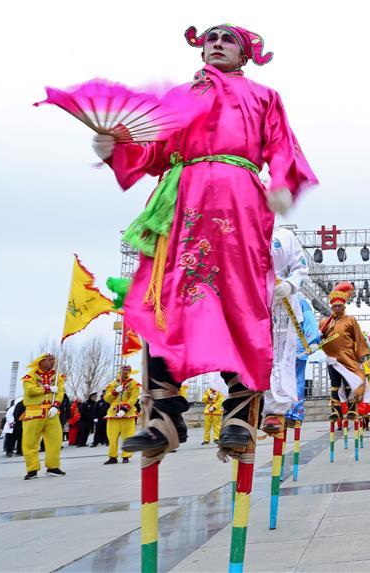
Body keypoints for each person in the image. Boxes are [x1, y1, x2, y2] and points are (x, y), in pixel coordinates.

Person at [89, 24, 318, 456]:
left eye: (226, 39)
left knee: (238, 301)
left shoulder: (263, 97)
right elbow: (153, 152)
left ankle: (239, 414)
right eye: (210, 38)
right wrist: (116, 148)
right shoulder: (179, 97)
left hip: (238, 203)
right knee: (166, 302)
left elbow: (284, 148)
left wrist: (283, 183)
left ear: (244, 54)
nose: (216, 44)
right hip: (180, 201)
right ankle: (163, 417)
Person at [264, 226, 312, 434]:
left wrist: (291, 284)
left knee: (280, 358)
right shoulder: (239, 229)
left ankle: (277, 409)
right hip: (249, 302)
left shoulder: (284, 236)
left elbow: (301, 266)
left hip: (282, 306)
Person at [319, 282, 370, 423]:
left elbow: (359, 338)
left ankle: (353, 410)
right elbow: (318, 339)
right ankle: (336, 412)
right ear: (332, 307)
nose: (337, 308)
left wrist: (363, 356)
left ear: (344, 306)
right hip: (332, 359)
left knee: (350, 383)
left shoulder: (351, 320)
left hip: (348, 357)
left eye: (339, 306)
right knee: (335, 385)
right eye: (335, 306)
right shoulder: (324, 322)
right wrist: (317, 337)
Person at [20, 354, 67, 479]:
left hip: (51, 413)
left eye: (54, 360)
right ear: (41, 361)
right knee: (30, 442)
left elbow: (60, 392)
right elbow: (30, 390)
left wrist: (55, 406)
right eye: (50, 360)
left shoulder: (58, 377)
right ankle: (32, 469)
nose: (53, 362)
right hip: (34, 413)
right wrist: (48, 389)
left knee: (55, 441)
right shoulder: (30, 376)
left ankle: (53, 466)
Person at [285, 297, 321, 430]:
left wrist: (312, 341)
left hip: (296, 349)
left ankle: (294, 414)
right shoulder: (271, 298)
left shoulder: (300, 302)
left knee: (296, 381)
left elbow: (309, 321)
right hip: (276, 349)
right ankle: (276, 412)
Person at [103, 366, 141, 464]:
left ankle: (126, 456)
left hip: (128, 412)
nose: (125, 372)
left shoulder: (134, 383)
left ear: (130, 372)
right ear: (120, 371)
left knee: (128, 435)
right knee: (112, 435)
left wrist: (125, 409)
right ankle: (112, 457)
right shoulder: (113, 383)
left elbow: (134, 398)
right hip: (113, 412)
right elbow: (107, 398)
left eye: (127, 370)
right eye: (123, 370)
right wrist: (115, 392)